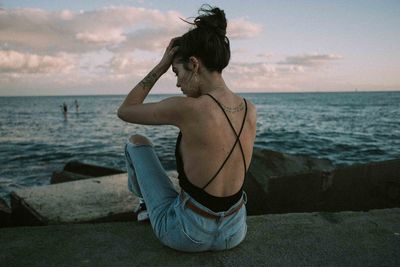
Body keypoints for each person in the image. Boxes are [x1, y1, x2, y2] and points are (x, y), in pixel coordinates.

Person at [118, 5, 256, 252]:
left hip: (187, 234)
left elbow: (126, 110)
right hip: (235, 233)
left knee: (136, 141)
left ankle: (144, 206)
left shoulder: (188, 109)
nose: (178, 82)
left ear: (194, 64)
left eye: (176, 72)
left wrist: (161, 65)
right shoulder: (249, 109)